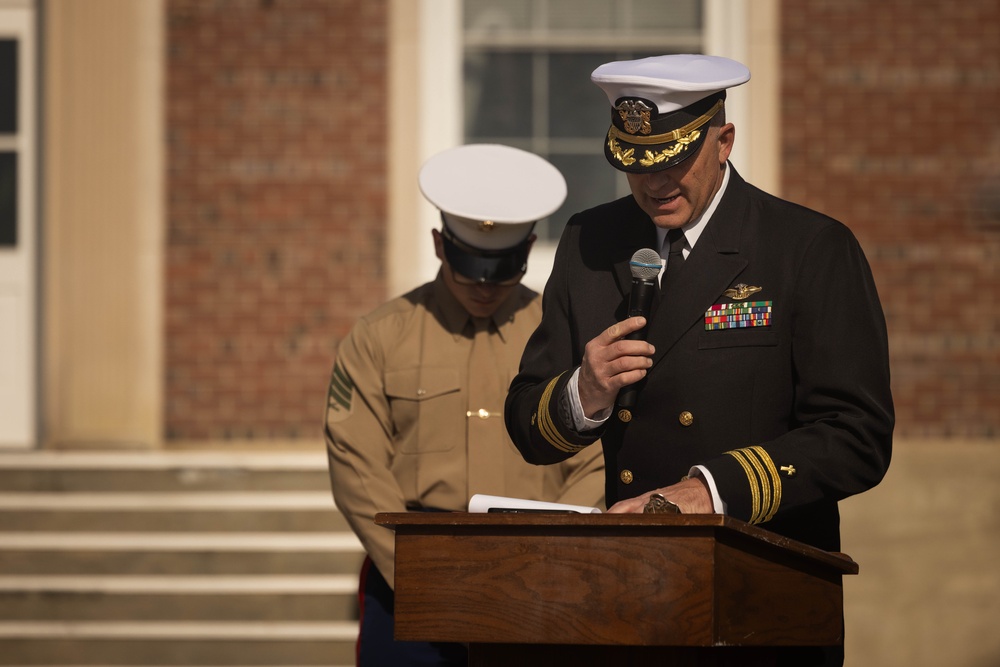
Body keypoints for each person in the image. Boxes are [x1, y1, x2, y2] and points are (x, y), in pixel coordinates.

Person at [503, 55, 893, 666]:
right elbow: (527, 422)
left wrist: (710, 491)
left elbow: (857, 436)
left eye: (674, 159)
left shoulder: (807, 248)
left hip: (761, 595)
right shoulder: (588, 241)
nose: (654, 183)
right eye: (636, 164)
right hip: (631, 601)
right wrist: (585, 392)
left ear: (724, 140)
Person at [325, 143, 606, 667]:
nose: (484, 285)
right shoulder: (379, 337)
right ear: (439, 244)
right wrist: (418, 572)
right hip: (410, 575)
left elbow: (597, 456)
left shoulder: (564, 336)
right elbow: (356, 465)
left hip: (541, 574)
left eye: (502, 267)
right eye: (469, 263)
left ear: (528, 248)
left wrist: (558, 556)